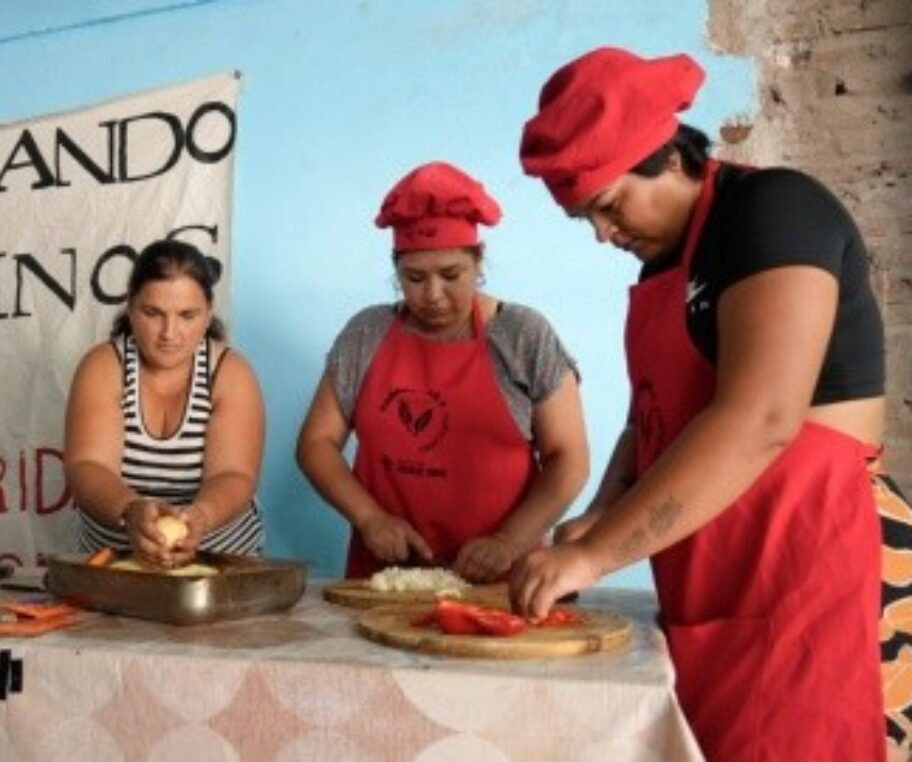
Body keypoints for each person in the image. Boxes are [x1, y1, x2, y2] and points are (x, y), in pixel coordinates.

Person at [511, 46, 910, 759]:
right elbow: (653, 416)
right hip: (714, 583)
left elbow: (762, 418)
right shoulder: (663, 263)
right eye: (586, 221)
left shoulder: (774, 211)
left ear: (667, 158)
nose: (604, 234)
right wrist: (599, 516)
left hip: (811, 569)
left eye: (606, 206)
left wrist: (599, 555)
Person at [296, 161, 589, 583]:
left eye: (451, 275)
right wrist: (370, 519)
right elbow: (316, 443)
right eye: (414, 277)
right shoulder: (367, 333)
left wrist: (508, 542)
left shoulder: (522, 335)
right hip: (385, 582)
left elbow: (569, 460)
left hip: (501, 583)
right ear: (395, 270)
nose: (433, 295)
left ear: (478, 260)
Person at [64, 239, 265, 567]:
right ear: (130, 308)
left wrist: (200, 516)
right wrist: (130, 511)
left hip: (219, 563)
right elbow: (88, 467)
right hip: (114, 564)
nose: (169, 333)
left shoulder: (231, 373)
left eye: (187, 315)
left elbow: (234, 474)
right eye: (153, 313)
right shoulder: (103, 367)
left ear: (208, 314)